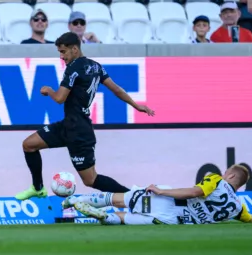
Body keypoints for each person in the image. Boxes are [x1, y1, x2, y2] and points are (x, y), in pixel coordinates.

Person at [15, 32, 155, 201]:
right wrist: (136, 105)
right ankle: (37, 188)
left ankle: (134, 197)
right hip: (68, 124)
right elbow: (116, 89)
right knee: (29, 145)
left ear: (74, 49)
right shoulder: (96, 66)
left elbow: (60, 98)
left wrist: (49, 91)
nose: (61, 56)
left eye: (63, 52)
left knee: (90, 180)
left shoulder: (73, 68)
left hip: (79, 131)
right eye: (59, 52)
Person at [62, 164, 252, 225]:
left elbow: (195, 192)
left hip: (169, 204)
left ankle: (74, 200)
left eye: (227, 172)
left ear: (231, 175)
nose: (224, 174)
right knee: (124, 219)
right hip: (175, 221)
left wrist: (162, 191)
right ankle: (105, 216)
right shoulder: (237, 208)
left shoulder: (217, 181)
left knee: (124, 198)